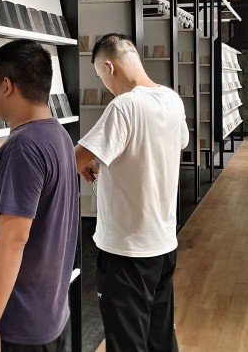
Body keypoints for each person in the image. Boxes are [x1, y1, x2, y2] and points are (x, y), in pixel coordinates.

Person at [0, 39, 78, 352]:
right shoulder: (56, 135)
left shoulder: (23, 147)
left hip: (15, 327)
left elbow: (12, 241)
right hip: (47, 316)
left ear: (7, 86)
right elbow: (14, 174)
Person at [74, 33, 189, 352]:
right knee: (160, 341)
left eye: (100, 77)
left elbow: (73, 161)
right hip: (163, 246)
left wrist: (86, 162)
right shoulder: (172, 100)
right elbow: (169, 145)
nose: (104, 85)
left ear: (109, 67)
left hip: (126, 253)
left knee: (127, 345)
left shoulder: (123, 106)